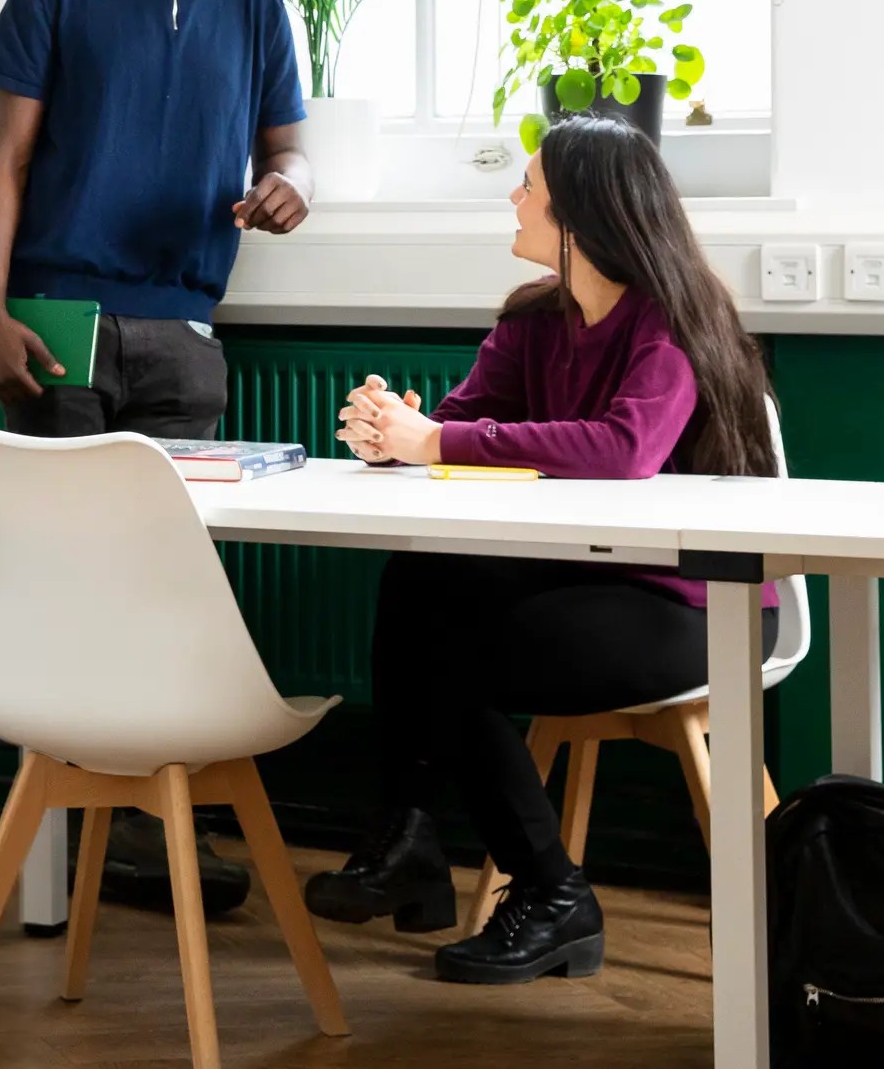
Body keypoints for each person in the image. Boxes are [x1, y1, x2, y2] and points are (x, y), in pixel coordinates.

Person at [304, 112, 778, 986]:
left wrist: (433, 444)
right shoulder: (532, 323)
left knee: (456, 652)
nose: (513, 198)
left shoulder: (672, 322)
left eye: (530, 187)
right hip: (576, 582)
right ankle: (408, 835)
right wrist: (391, 427)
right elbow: (454, 420)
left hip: (691, 602)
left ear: (585, 216)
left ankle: (547, 890)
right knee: (419, 581)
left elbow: (624, 449)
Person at [0, 0, 311, 911]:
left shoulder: (257, 8)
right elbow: (5, 168)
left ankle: (152, 832)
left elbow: (291, 147)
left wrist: (291, 186)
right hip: (60, 314)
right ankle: (57, 860)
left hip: (185, 328)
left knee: (164, 588)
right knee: (69, 582)